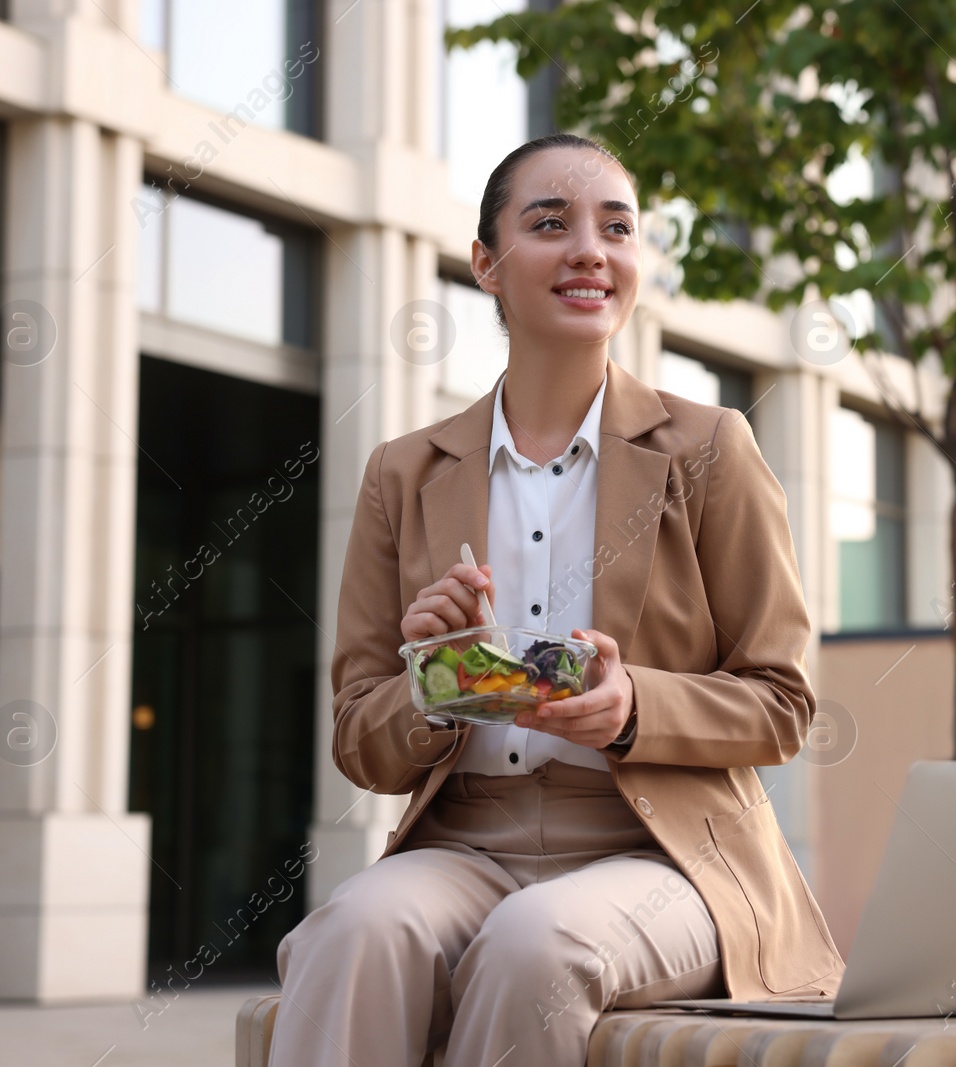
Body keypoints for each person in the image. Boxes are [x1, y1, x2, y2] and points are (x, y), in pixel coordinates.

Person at [269, 133, 843, 1067]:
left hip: (664, 855)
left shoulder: (709, 449)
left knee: (536, 944)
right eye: (552, 223)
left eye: (617, 227)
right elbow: (357, 740)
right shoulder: (404, 474)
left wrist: (633, 707)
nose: (591, 249)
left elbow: (783, 702)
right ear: (487, 265)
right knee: (348, 932)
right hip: (464, 845)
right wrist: (432, 683)